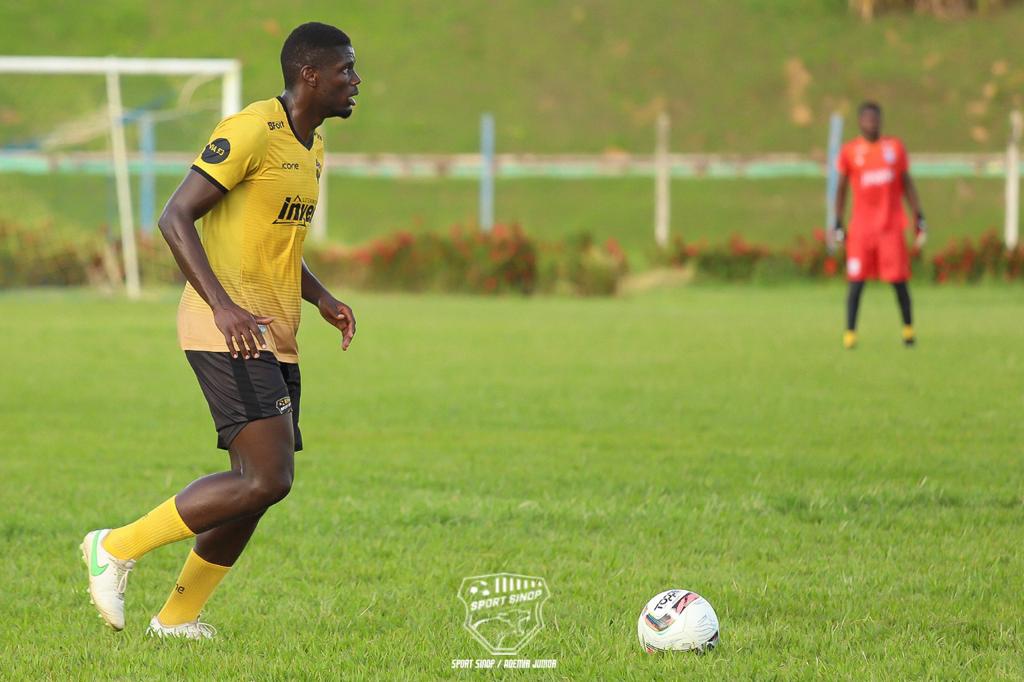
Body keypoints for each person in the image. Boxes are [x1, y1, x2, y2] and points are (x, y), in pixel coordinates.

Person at [80, 22, 359, 639]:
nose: (355, 82)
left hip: (275, 332)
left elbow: (279, 243)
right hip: (223, 329)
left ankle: (177, 617)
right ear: (309, 75)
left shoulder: (311, 147)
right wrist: (224, 304)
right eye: (345, 70)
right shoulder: (250, 129)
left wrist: (321, 297)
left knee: (256, 488)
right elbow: (174, 215)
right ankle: (115, 546)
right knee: (267, 478)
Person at [833, 101, 926, 349]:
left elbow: (907, 184)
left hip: (890, 227)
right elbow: (841, 189)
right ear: (860, 122)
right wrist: (837, 221)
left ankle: (908, 331)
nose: (871, 123)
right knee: (856, 282)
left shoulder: (894, 149)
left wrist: (918, 214)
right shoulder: (850, 152)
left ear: (881, 121)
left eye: (875, 119)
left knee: (898, 280)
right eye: (867, 119)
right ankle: (850, 334)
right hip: (862, 230)